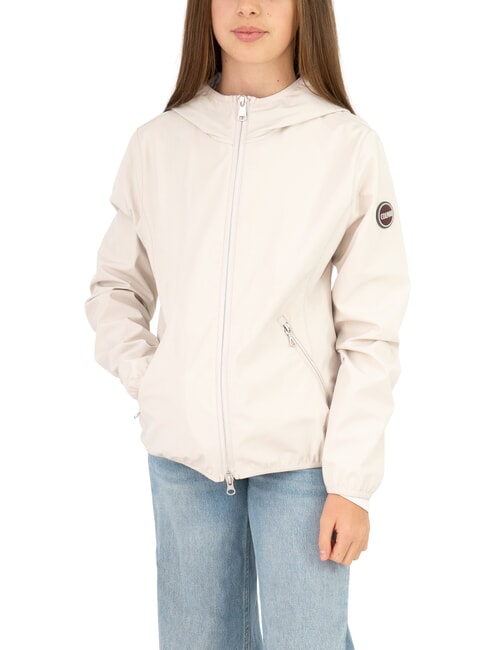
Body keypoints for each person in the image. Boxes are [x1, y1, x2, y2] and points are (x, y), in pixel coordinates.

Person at [85, 0, 409, 647]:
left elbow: (371, 328)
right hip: (184, 462)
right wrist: (160, 383)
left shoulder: (346, 145)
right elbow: (115, 289)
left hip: (305, 464)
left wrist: (351, 483)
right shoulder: (159, 143)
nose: (249, 7)